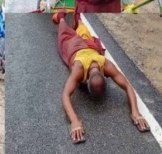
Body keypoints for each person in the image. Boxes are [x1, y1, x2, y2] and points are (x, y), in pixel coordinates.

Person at [52, 12, 150, 144]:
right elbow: (65, 95)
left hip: (89, 44)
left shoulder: (106, 65)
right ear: (85, 83)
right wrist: (74, 121)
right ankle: (62, 18)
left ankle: (77, 19)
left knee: (82, 29)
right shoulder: (79, 69)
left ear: (105, 76)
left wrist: (136, 112)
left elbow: (127, 86)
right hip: (75, 47)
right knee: (64, 35)